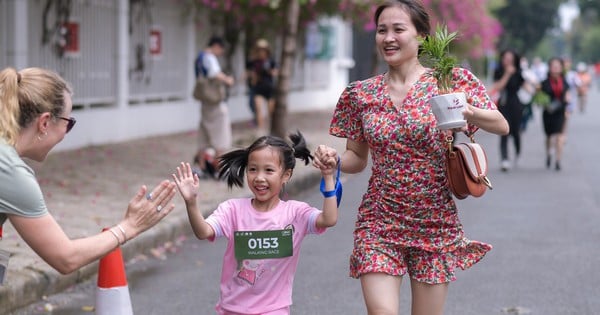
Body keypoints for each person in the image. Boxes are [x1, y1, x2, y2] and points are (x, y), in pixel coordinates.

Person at [311, 1, 509, 314]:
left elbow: (501, 124)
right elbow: (356, 158)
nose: (388, 37)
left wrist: (466, 110)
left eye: (398, 29)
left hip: (435, 222)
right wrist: (333, 160)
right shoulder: (360, 94)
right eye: (381, 30)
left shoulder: (449, 82)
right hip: (379, 222)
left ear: (421, 37)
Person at [0, 67, 176, 276]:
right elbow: (66, 258)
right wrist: (129, 227)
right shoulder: (11, 171)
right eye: (68, 123)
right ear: (45, 122)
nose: (66, 133)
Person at [172, 131, 339, 315]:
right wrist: (191, 203)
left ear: (286, 175)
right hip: (233, 308)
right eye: (253, 169)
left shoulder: (295, 213)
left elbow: (328, 219)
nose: (259, 177)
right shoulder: (232, 210)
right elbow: (203, 231)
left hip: (274, 309)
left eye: (269, 170)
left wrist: (328, 177)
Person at [193, 36, 235, 179]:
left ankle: (201, 166)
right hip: (215, 103)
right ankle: (219, 169)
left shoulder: (199, 57)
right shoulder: (209, 57)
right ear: (216, 46)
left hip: (205, 102)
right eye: (221, 49)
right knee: (221, 137)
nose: (220, 53)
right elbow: (214, 73)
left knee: (204, 135)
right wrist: (227, 80)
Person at [492, 49, 526, 172]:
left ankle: (518, 153)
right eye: (505, 59)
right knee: (503, 131)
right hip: (503, 103)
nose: (507, 61)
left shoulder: (518, 72)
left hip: (516, 103)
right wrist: (507, 74)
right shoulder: (499, 71)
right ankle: (504, 159)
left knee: (516, 132)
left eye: (510, 59)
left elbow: (524, 85)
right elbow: (498, 87)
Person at [539, 57, 571, 171]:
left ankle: (558, 160)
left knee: (559, 137)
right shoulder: (544, 82)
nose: (556, 68)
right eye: (553, 66)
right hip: (548, 112)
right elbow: (539, 97)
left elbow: (568, 95)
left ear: (561, 68)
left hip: (560, 112)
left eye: (558, 66)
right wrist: (542, 101)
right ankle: (549, 154)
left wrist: (568, 108)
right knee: (549, 136)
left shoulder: (565, 81)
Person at [245, 38, 278, 136]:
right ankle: (261, 131)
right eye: (259, 49)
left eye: (263, 49)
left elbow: (275, 72)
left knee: (270, 112)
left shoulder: (271, 61)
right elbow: (248, 73)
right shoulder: (253, 62)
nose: (261, 52)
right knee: (258, 109)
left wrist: (268, 71)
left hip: (269, 88)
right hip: (258, 88)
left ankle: (269, 130)